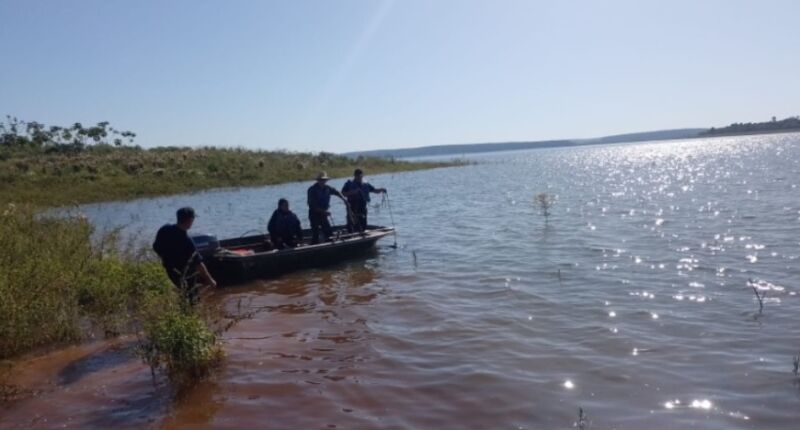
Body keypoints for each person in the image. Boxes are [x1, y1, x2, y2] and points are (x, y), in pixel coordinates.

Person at [152, 207, 217, 303]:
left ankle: (181, 309)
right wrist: (210, 280)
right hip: (187, 275)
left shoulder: (164, 229)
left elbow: (156, 247)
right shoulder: (187, 241)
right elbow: (199, 264)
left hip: (171, 272)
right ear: (190, 220)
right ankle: (189, 311)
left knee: (183, 294)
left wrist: (165, 258)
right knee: (193, 300)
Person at [307, 171, 348, 243]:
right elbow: (312, 206)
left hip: (323, 215)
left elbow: (337, 192)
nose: (322, 181)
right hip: (314, 214)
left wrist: (344, 199)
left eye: (324, 180)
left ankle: (328, 243)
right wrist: (324, 211)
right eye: (321, 180)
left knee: (328, 233)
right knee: (315, 234)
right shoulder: (312, 190)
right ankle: (315, 244)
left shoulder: (328, 188)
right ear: (318, 180)